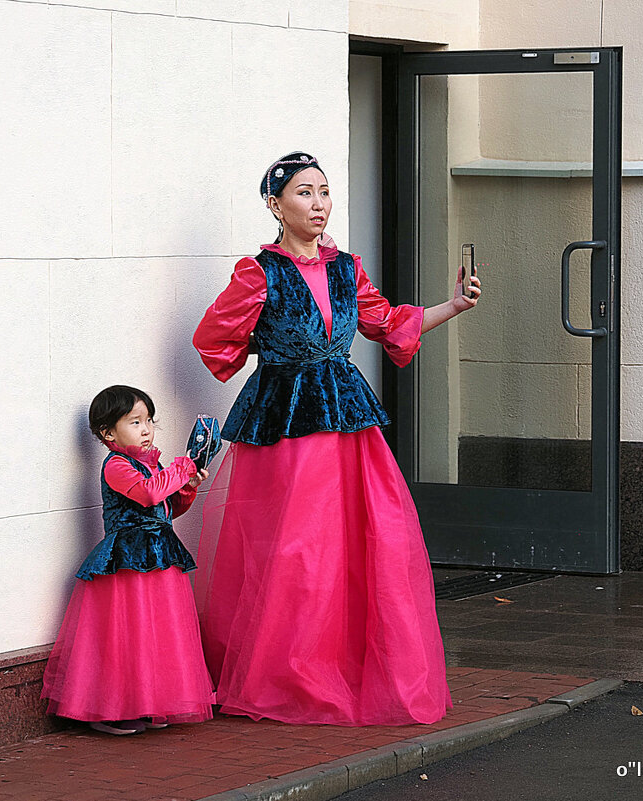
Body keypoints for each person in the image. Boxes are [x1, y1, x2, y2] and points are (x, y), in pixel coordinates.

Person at [192, 152, 481, 727]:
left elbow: (386, 322)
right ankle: (285, 675)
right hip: (286, 422)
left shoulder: (348, 269)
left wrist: (454, 305)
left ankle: (349, 668)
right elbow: (214, 339)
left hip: (347, 416)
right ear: (275, 205)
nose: (319, 204)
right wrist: (275, 352)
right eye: (304, 193)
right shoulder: (259, 272)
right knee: (296, 550)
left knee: (366, 540)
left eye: (324, 192)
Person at [41, 385, 215, 734]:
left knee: (157, 633)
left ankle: (150, 701)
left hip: (161, 555)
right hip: (127, 561)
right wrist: (182, 467)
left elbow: (168, 509)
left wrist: (188, 486)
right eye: (135, 422)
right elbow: (149, 494)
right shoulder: (116, 465)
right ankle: (112, 709)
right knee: (126, 634)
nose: (147, 429)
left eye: (149, 420)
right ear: (108, 433)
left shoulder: (153, 464)